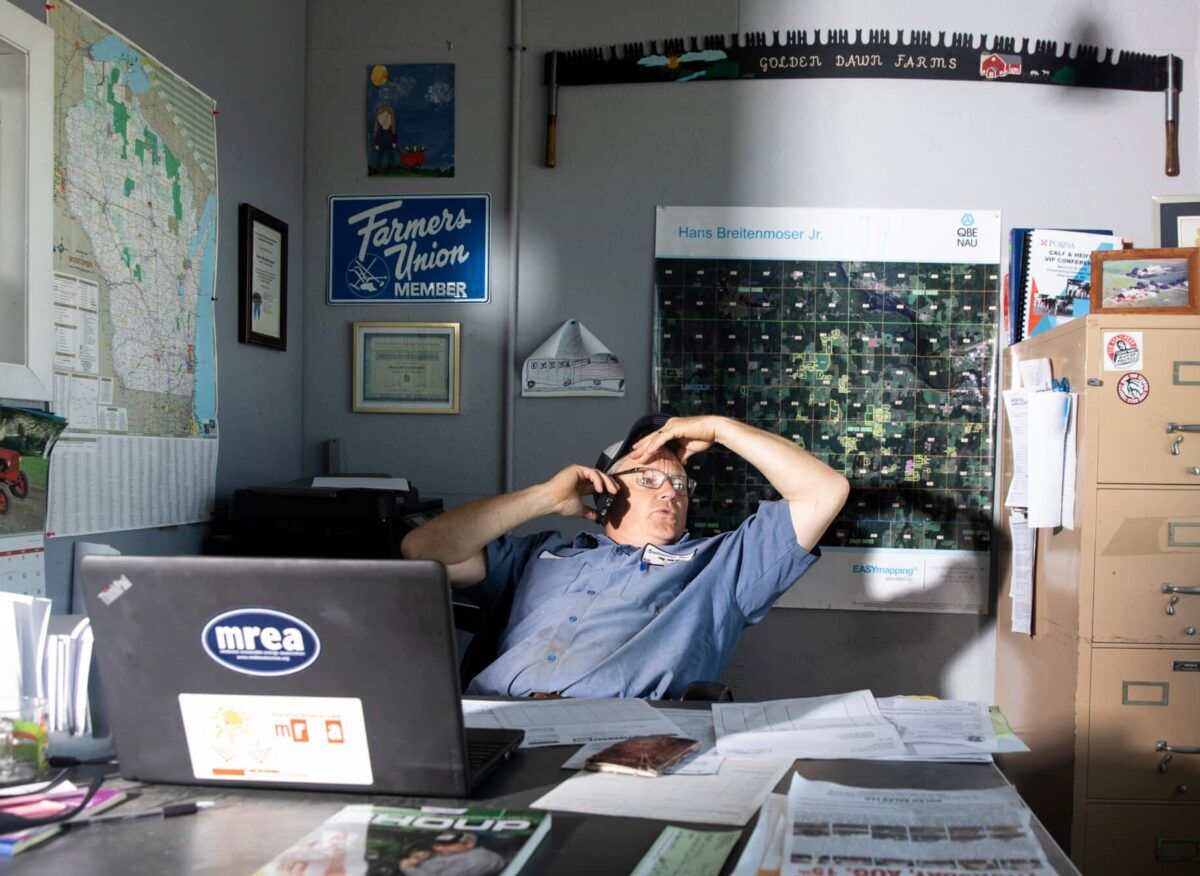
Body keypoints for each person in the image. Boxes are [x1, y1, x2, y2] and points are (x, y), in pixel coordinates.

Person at [401, 414, 849, 699]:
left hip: (615, 736)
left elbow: (825, 491)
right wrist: (542, 498)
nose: (671, 493)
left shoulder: (719, 566)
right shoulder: (543, 553)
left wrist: (717, 428)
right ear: (606, 489)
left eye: (679, 485)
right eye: (649, 480)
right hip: (491, 715)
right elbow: (423, 551)